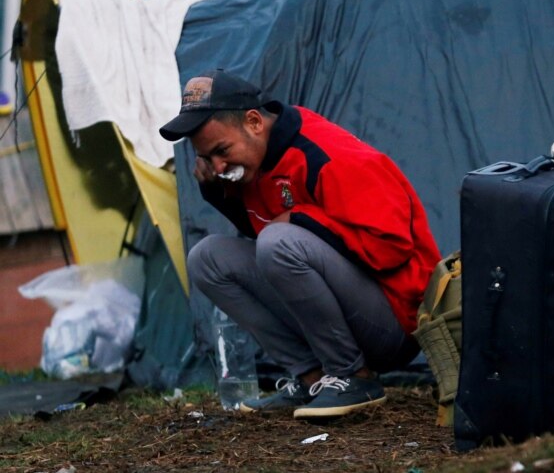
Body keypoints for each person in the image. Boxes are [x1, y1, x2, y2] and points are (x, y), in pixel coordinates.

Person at [159, 69, 440, 419]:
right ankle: (313, 378)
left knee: (279, 243)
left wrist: (300, 220)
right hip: (347, 314)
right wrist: (218, 193)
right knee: (207, 258)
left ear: (254, 122)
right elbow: (264, 235)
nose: (218, 166)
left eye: (222, 151)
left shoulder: (325, 154)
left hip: (396, 319)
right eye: (206, 158)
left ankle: (353, 377)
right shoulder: (256, 160)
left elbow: (391, 245)